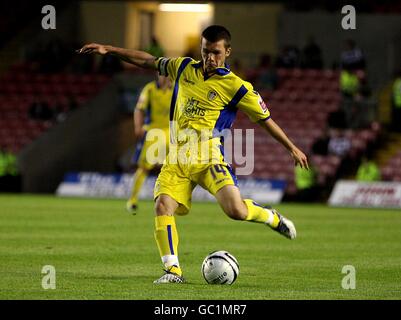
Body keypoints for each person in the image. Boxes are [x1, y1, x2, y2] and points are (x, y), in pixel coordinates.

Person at [78, 25, 309, 284]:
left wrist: (291, 147)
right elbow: (148, 61)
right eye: (205, 51)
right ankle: (173, 271)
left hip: (209, 156)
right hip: (177, 156)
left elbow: (265, 120)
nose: (210, 58)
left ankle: (270, 217)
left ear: (228, 52)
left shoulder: (237, 87)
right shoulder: (184, 67)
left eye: (216, 53)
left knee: (236, 211)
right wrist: (109, 49)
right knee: (162, 205)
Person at [126, 74, 173, 214]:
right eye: (163, 74)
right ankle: (133, 200)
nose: (165, 77)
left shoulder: (177, 89)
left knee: (175, 168)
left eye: (168, 74)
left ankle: (173, 200)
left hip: (171, 133)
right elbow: (139, 109)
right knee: (144, 167)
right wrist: (138, 126)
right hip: (153, 131)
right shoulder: (150, 89)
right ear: (158, 75)